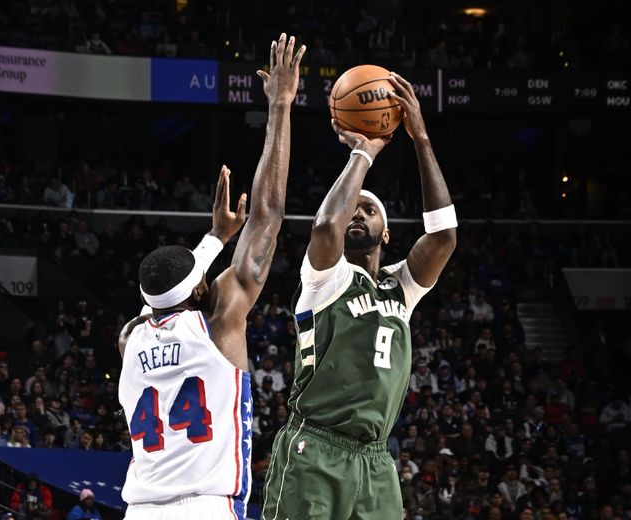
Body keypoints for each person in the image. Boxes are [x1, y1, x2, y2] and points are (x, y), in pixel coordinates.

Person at [117, 33, 304, 519]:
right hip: (206, 506)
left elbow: (159, 297)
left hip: (139, 508)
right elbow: (267, 214)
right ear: (201, 286)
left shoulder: (129, 340)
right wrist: (280, 106)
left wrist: (213, 242)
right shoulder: (220, 323)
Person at [262, 72, 457, 520]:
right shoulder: (325, 278)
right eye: (354, 207)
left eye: (369, 210)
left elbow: (444, 236)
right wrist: (363, 152)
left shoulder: (400, 288)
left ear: (386, 232)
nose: (357, 214)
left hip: (375, 460)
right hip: (315, 448)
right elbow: (327, 226)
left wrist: (421, 137)